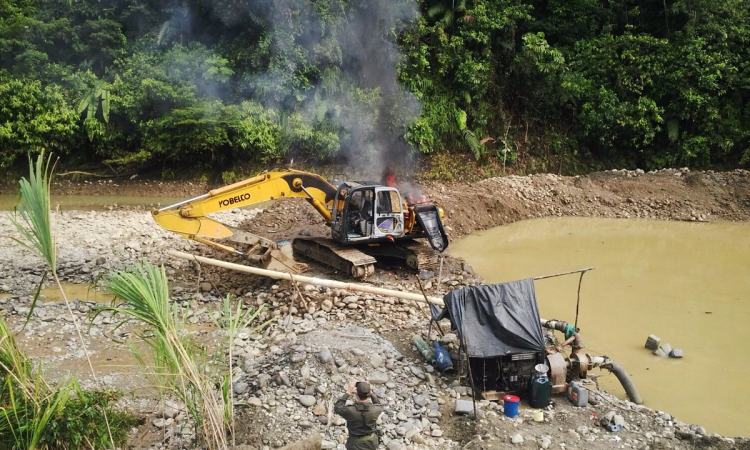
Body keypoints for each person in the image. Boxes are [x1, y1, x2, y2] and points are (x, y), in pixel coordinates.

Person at [334, 381, 383, 450]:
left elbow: (337, 407)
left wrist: (348, 392)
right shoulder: (375, 410)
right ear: (368, 394)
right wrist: (371, 394)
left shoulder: (350, 411)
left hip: (355, 445)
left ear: (356, 393)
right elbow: (378, 404)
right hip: (372, 442)